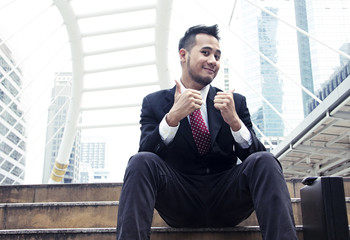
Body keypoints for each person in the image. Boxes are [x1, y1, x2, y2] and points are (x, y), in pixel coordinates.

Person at [116, 24, 297, 240]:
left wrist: (235, 124)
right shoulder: (154, 102)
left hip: (228, 198)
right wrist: (172, 118)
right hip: (179, 200)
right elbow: (146, 153)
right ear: (183, 55)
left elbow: (257, 159)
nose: (213, 61)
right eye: (206, 52)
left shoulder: (234, 102)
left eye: (217, 56)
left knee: (265, 160)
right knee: (140, 161)